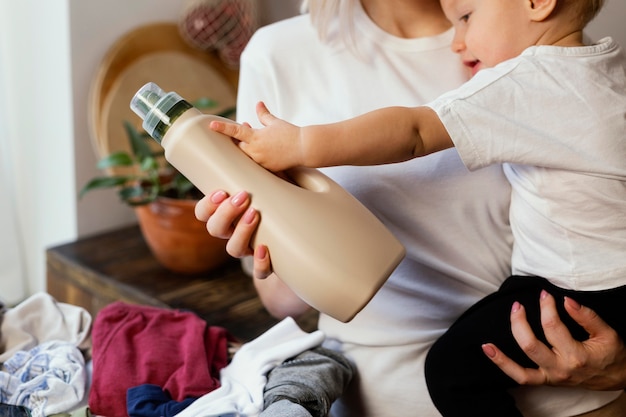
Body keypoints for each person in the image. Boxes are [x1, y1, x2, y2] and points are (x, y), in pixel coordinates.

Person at [196, 0, 626, 415]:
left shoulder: (524, 50)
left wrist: (302, 143)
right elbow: (283, 304)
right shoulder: (279, 54)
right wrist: (266, 234)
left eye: (466, 19)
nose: (460, 43)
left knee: (451, 369)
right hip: (372, 393)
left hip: (569, 391)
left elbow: (414, 131)